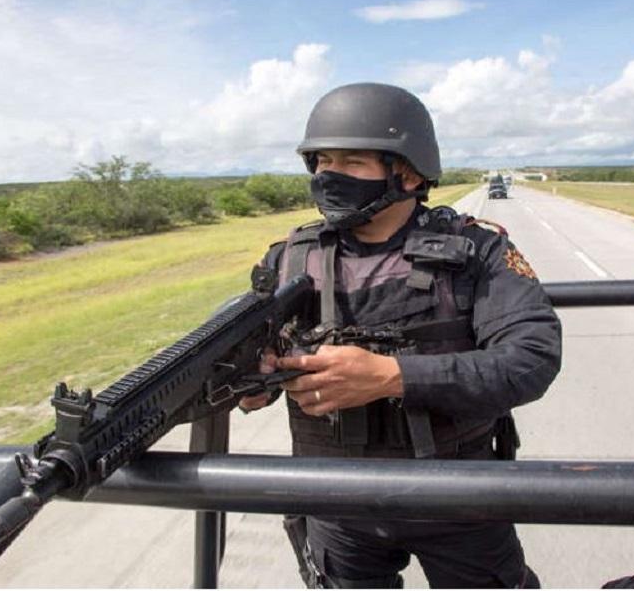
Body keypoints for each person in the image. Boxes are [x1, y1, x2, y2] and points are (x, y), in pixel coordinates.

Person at [239, 82, 562, 588]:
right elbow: (250, 360)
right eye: (322, 160)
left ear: (407, 172)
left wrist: (393, 376)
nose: (330, 175)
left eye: (352, 162)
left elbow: (530, 360)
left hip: (459, 498)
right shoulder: (290, 258)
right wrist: (252, 381)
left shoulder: (476, 250)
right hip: (335, 503)